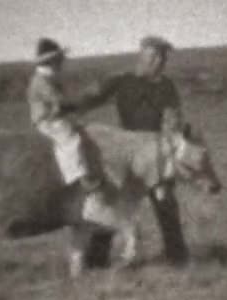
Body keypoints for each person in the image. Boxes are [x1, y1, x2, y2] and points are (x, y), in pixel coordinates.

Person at [81, 36, 189, 265]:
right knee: (112, 204)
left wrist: (170, 140)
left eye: (163, 56)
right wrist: (65, 110)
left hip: (156, 155)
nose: (159, 61)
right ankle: (96, 261)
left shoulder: (167, 86)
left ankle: (177, 259)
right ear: (141, 55)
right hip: (125, 155)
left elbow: (172, 119)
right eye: (154, 55)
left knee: (166, 203)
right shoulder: (122, 80)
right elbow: (91, 98)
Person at [26, 38, 105, 202]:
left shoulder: (47, 78)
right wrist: (83, 99)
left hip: (54, 116)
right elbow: (59, 101)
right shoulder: (41, 81)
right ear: (51, 61)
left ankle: (88, 168)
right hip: (47, 119)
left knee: (81, 131)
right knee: (70, 138)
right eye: (59, 60)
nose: (62, 63)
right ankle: (78, 177)